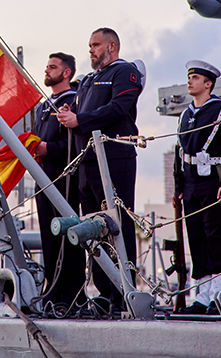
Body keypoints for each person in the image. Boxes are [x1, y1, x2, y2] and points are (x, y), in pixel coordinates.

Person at [57, 28, 143, 314]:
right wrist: (71, 115)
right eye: (89, 45)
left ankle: (124, 292)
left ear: (112, 46)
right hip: (88, 161)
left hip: (114, 158)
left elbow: (118, 108)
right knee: (93, 228)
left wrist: (78, 119)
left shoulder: (124, 72)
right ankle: (106, 293)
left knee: (116, 225)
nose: (91, 50)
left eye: (96, 44)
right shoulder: (89, 80)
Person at [173, 60, 221, 316]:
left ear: (208, 84)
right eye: (189, 77)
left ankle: (218, 294)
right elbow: (179, 153)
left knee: (214, 236)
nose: (189, 81)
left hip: (213, 182)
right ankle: (202, 296)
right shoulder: (186, 114)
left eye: (195, 77)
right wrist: (178, 187)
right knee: (195, 237)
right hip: (191, 182)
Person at [34, 52, 86, 309]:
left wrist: (49, 149)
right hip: (43, 178)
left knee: (67, 234)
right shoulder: (45, 105)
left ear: (66, 73)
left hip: (64, 178)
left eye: (53, 67)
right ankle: (52, 287)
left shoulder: (74, 102)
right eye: (47, 66)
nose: (47, 70)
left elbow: (77, 142)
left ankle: (72, 293)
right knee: (48, 236)